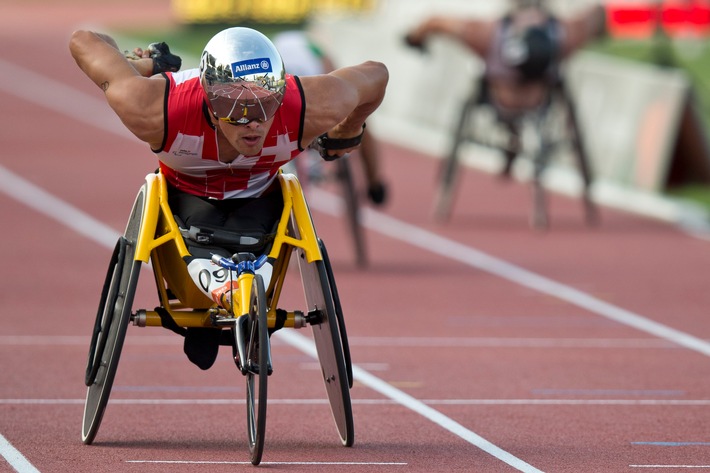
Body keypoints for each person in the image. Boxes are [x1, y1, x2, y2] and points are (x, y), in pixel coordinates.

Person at [70, 27, 388, 370]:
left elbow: (376, 75)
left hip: (260, 201)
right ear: (208, 100)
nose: (251, 124)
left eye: (264, 107)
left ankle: (227, 309)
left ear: (280, 94)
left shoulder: (305, 106)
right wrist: (139, 71)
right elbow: (83, 40)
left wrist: (348, 128)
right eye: (235, 111)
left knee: (257, 238)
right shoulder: (154, 107)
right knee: (197, 242)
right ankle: (214, 309)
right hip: (185, 200)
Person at [405, 0, 606, 176]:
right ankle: (514, 141)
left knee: (481, 83)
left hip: (499, 103)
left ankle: (512, 140)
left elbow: (436, 22)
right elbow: (598, 16)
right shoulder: (564, 33)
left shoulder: (488, 32)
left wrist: (413, 39)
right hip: (539, 106)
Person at [273, 30, 388, 205]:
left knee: (351, 116)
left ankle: (374, 181)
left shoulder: (320, 67)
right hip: (295, 69)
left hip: (299, 63)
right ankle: (375, 183)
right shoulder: (323, 74)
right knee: (355, 118)